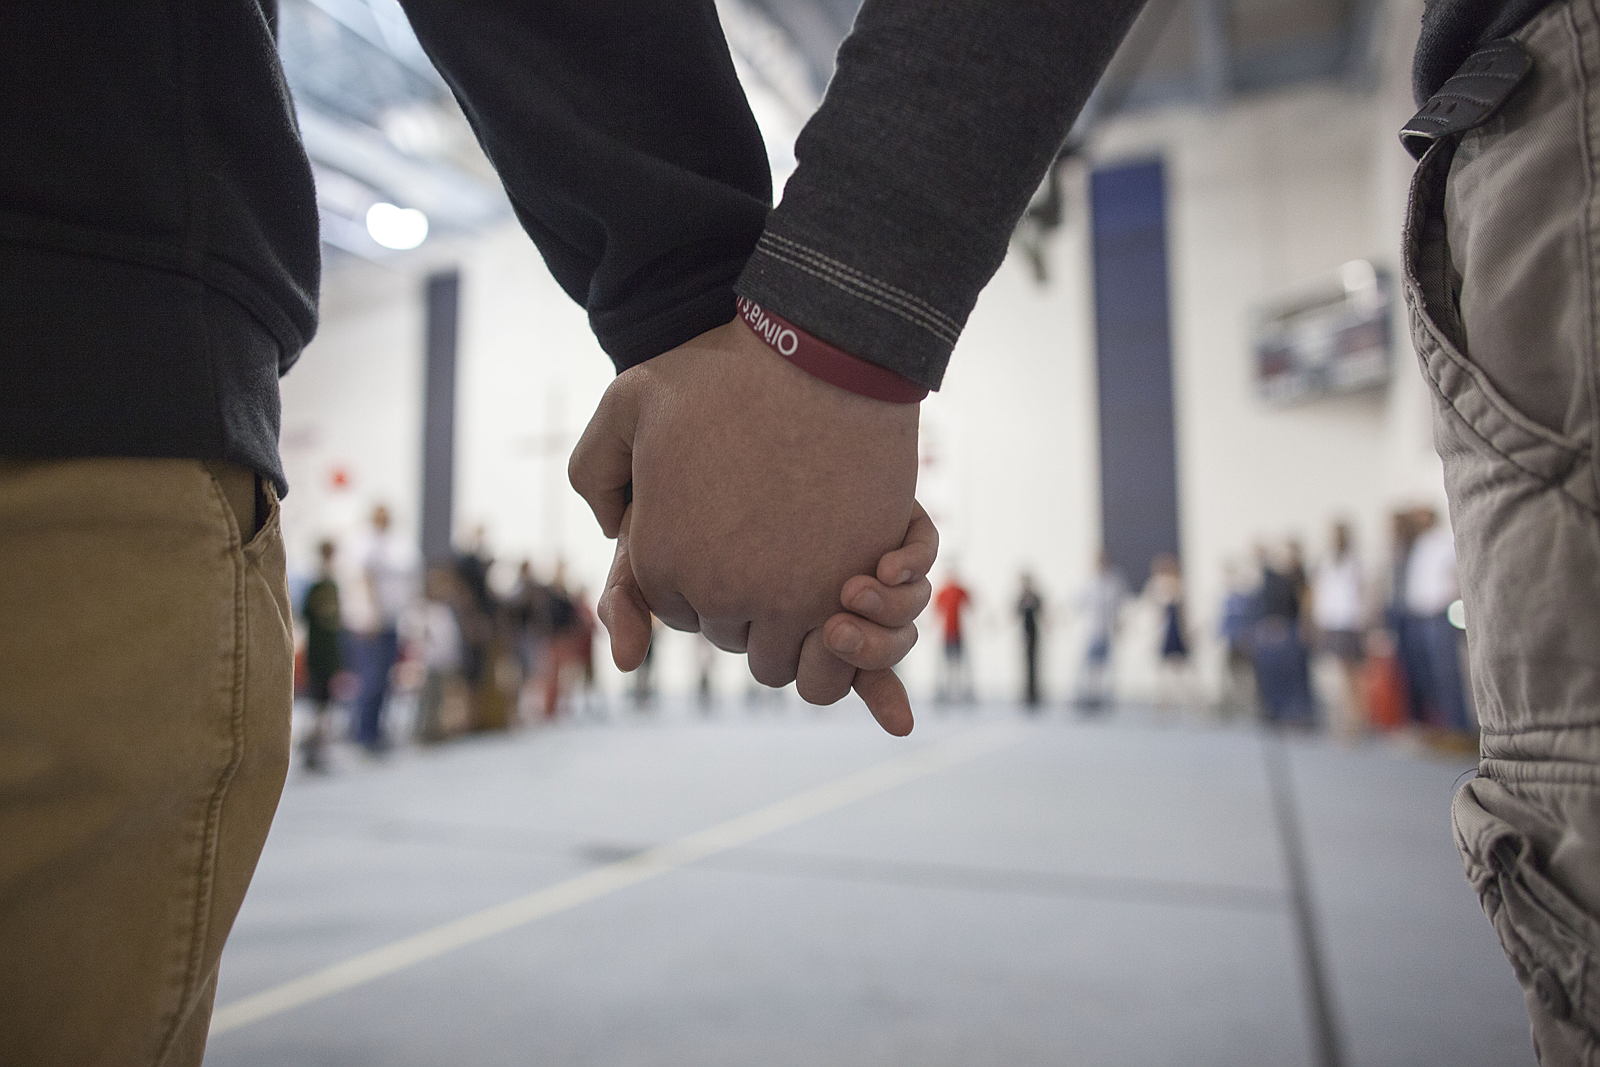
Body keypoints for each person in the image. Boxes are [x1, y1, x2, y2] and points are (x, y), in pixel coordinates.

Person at [351, 503, 417, 754]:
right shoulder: (366, 543)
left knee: (386, 680)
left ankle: (377, 730)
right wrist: (371, 614)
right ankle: (364, 733)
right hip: (372, 623)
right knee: (372, 679)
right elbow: (364, 579)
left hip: (392, 621)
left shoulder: (395, 544)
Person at [1402, 507, 1472, 739]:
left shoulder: (1444, 541)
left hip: (1440, 614)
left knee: (1447, 672)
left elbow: (1455, 574)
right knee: (1429, 674)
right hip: (1420, 616)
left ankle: (1459, 727)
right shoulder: (1420, 544)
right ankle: (1441, 724)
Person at [1311, 520, 1367, 737]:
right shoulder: (1326, 562)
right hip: (1331, 621)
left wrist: (1364, 622)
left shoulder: (1354, 562)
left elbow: (1361, 593)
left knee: (1352, 673)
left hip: (1349, 622)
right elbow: (1319, 593)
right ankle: (1344, 718)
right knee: (1338, 673)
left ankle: (1355, 720)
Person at [297, 538, 345, 772]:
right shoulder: (317, 584)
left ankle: (319, 745)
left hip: (328, 648)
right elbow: (307, 614)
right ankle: (312, 745)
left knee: (325, 700)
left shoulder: (332, 584)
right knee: (318, 699)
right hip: (318, 648)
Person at [1073, 551, 1127, 713]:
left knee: (1106, 667)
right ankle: (1088, 698)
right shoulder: (1090, 583)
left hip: (1107, 632)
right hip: (1092, 631)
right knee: (1089, 667)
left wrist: (1119, 624)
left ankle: (1104, 699)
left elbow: (1119, 605)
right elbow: (1079, 603)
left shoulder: (1114, 582)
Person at [1144, 554, 1196, 715]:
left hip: (1174, 632)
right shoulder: (1157, 586)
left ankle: (1190, 701)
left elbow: (1182, 613)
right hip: (1164, 632)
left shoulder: (1177, 586)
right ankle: (1164, 702)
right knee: (1165, 670)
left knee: (1180, 668)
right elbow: (1154, 610)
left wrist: (1187, 634)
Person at [933, 571, 976, 704]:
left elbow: (970, 605)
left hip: (958, 634)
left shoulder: (959, 591)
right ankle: (945, 691)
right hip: (947, 634)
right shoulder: (944, 592)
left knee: (959, 663)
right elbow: (937, 610)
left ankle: (963, 691)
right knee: (947, 664)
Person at [1016, 573, 1045, 710]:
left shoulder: (1035, 597)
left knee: (1035, 664)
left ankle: (1034, 694)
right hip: (1025, 634)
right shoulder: (1022, 597)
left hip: (1034, 634)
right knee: (1025, 664)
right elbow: (1016, 611)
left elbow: (1041, 611)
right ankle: (1027, 693)